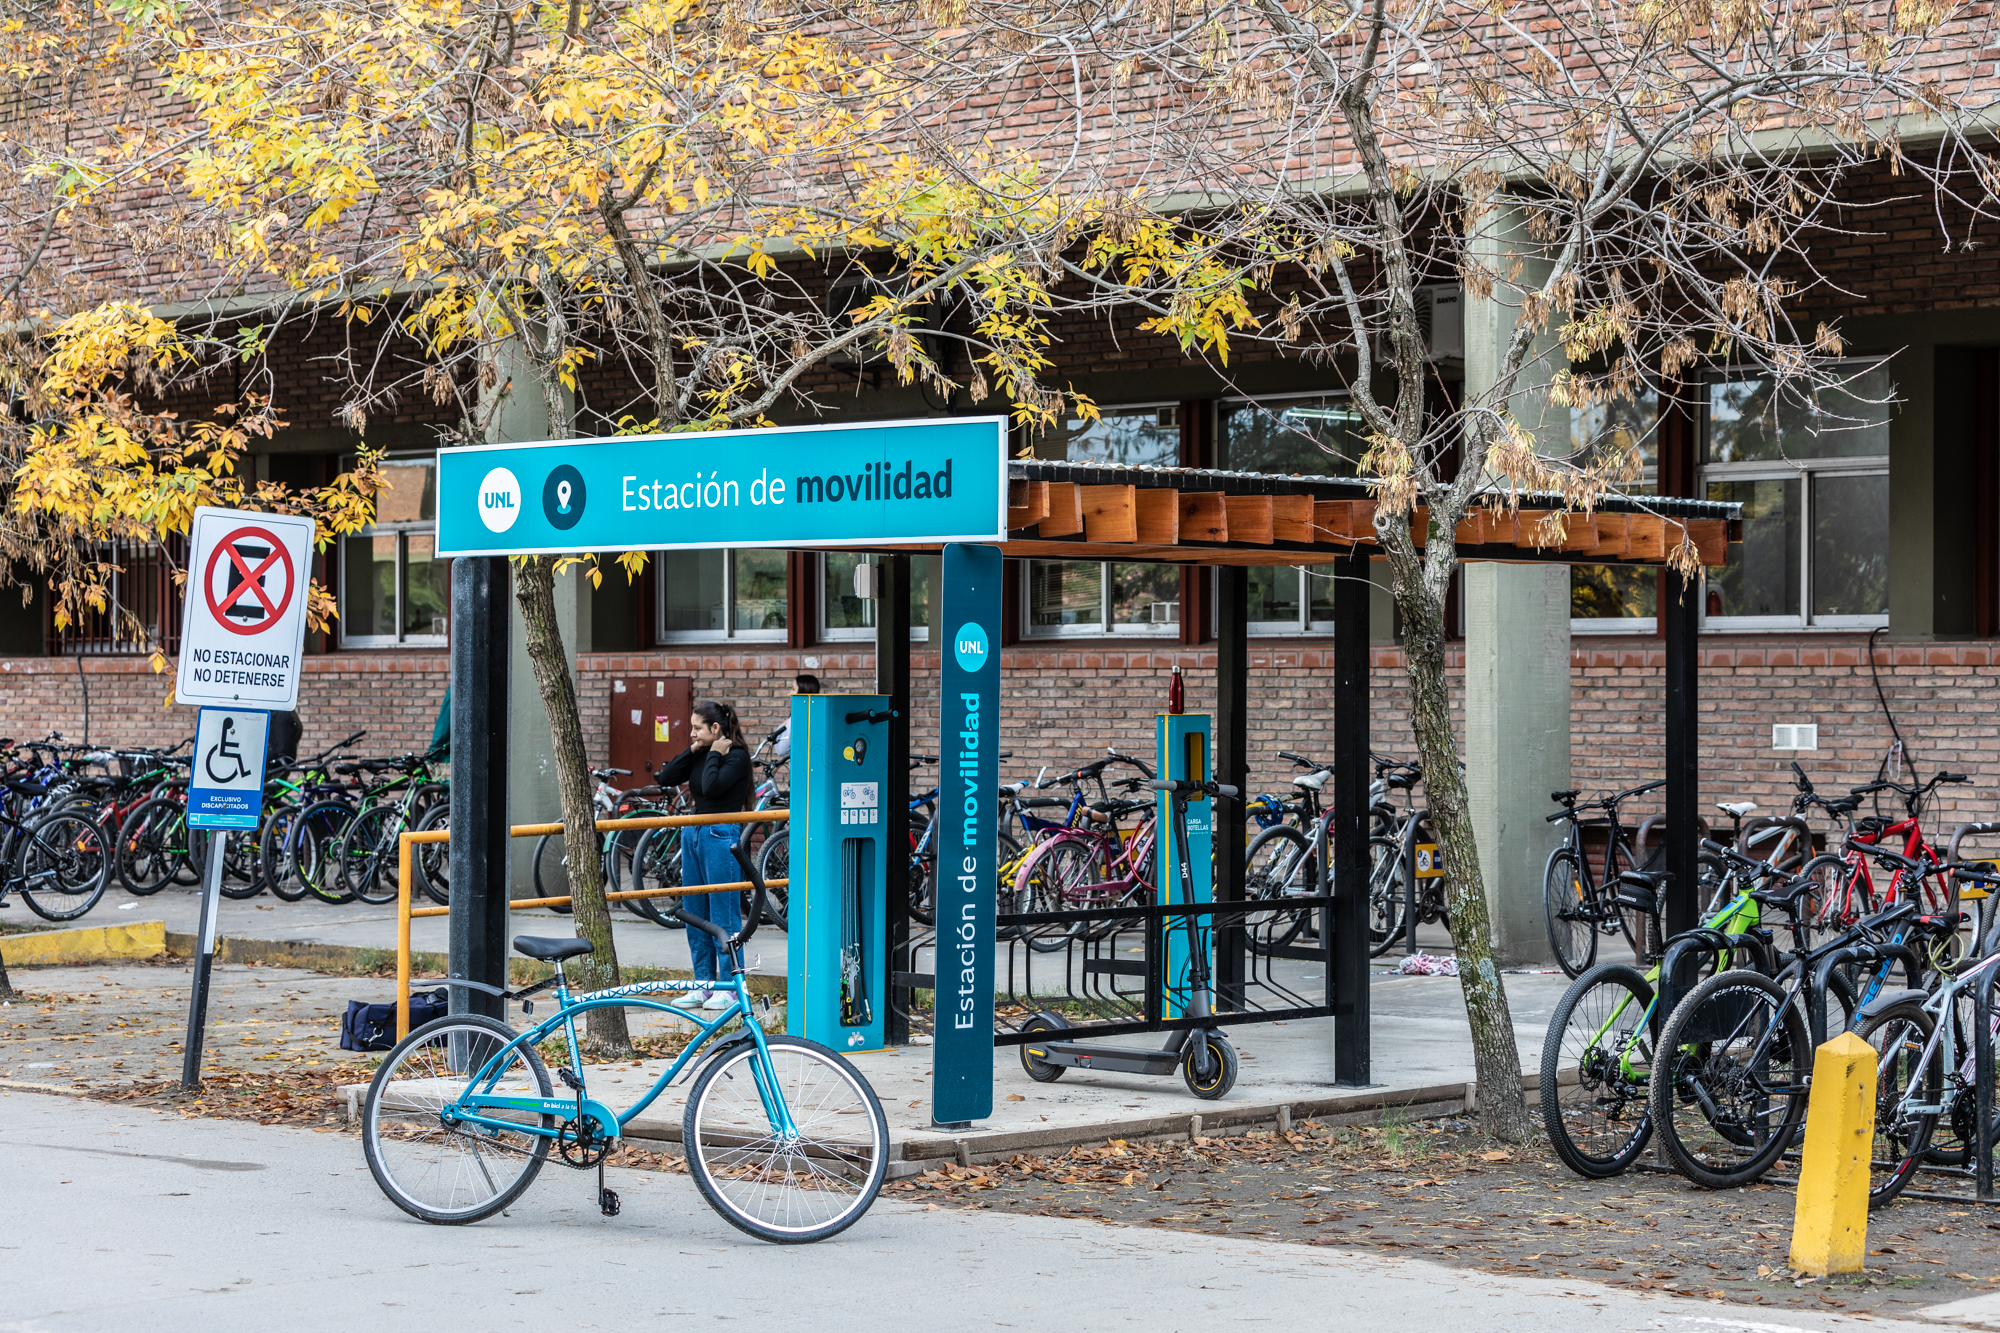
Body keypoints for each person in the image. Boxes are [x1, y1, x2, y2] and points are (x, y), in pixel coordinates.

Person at [654, 700, 753, 1008]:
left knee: (723, 913)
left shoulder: (736, 757)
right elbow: (665, 777)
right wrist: (695, 749)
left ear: (715, 727)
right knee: (695, 912)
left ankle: (731, 987)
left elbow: (711, 788)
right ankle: (704, 985)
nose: (692, 733)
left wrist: (714, 754)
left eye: (697, 728)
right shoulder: (702, 753)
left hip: (720, 834)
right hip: (693, 832)